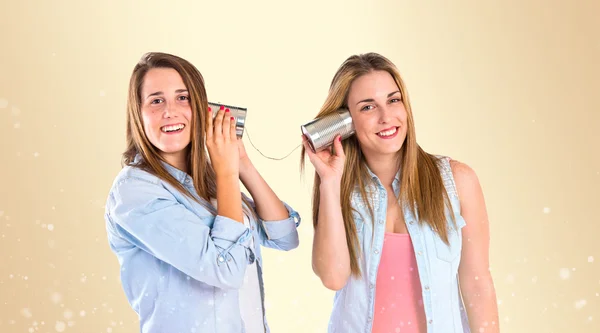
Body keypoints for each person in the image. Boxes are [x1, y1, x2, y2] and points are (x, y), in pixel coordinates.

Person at [301, 52, 499, 333]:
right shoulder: (337, 188)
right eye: (367, 108)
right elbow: (333, 277)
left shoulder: (457, 181)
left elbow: (478, 284)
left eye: (393, 100)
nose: (386, 117)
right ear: (345, 121)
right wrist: (330, 183)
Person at [104, 52, 301, 333]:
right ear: (139, 114)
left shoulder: (209, 183)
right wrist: (227, 173)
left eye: (183, 97)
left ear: (201, 107)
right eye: (156, 100)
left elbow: (284, 236)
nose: (170, 111)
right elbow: (225, 270)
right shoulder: (135, 192)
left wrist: (241, 164)